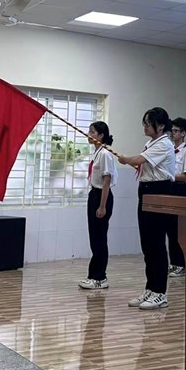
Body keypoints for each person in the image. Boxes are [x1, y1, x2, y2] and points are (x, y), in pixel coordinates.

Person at [117, 107, 176, 310]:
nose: (145, 127)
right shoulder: (151, 143)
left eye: (148, 123)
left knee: (157, 242)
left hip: (160, 190)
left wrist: (125, 159)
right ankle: (150, 288)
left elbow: (138, 160)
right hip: (146, 190)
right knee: (147, 243)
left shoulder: (164, 144)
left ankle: (160, 292)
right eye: (144, 123)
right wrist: (129, 160)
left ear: (160, 126)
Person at [78, 121, 116, 290]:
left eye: (92, 132)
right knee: (94, 237)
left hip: (102, 196)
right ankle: (93, 275)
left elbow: (107, 180)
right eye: (89, 131)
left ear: (101, 135)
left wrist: (102, 206)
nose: (89, 134)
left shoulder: (105, 154)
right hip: (94, 194)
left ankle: (100, 277)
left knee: (99, 238)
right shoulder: (97, 152)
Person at [166, 117, 186, 277]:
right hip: (169, 189)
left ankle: (181, 264)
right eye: (172, 131)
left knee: (178, 230)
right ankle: (174, 262)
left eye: (176, 131)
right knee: (170, 229)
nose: (173, 134)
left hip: (180, 189)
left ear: (183, 133)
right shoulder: (170, 150)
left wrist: (169, 175)